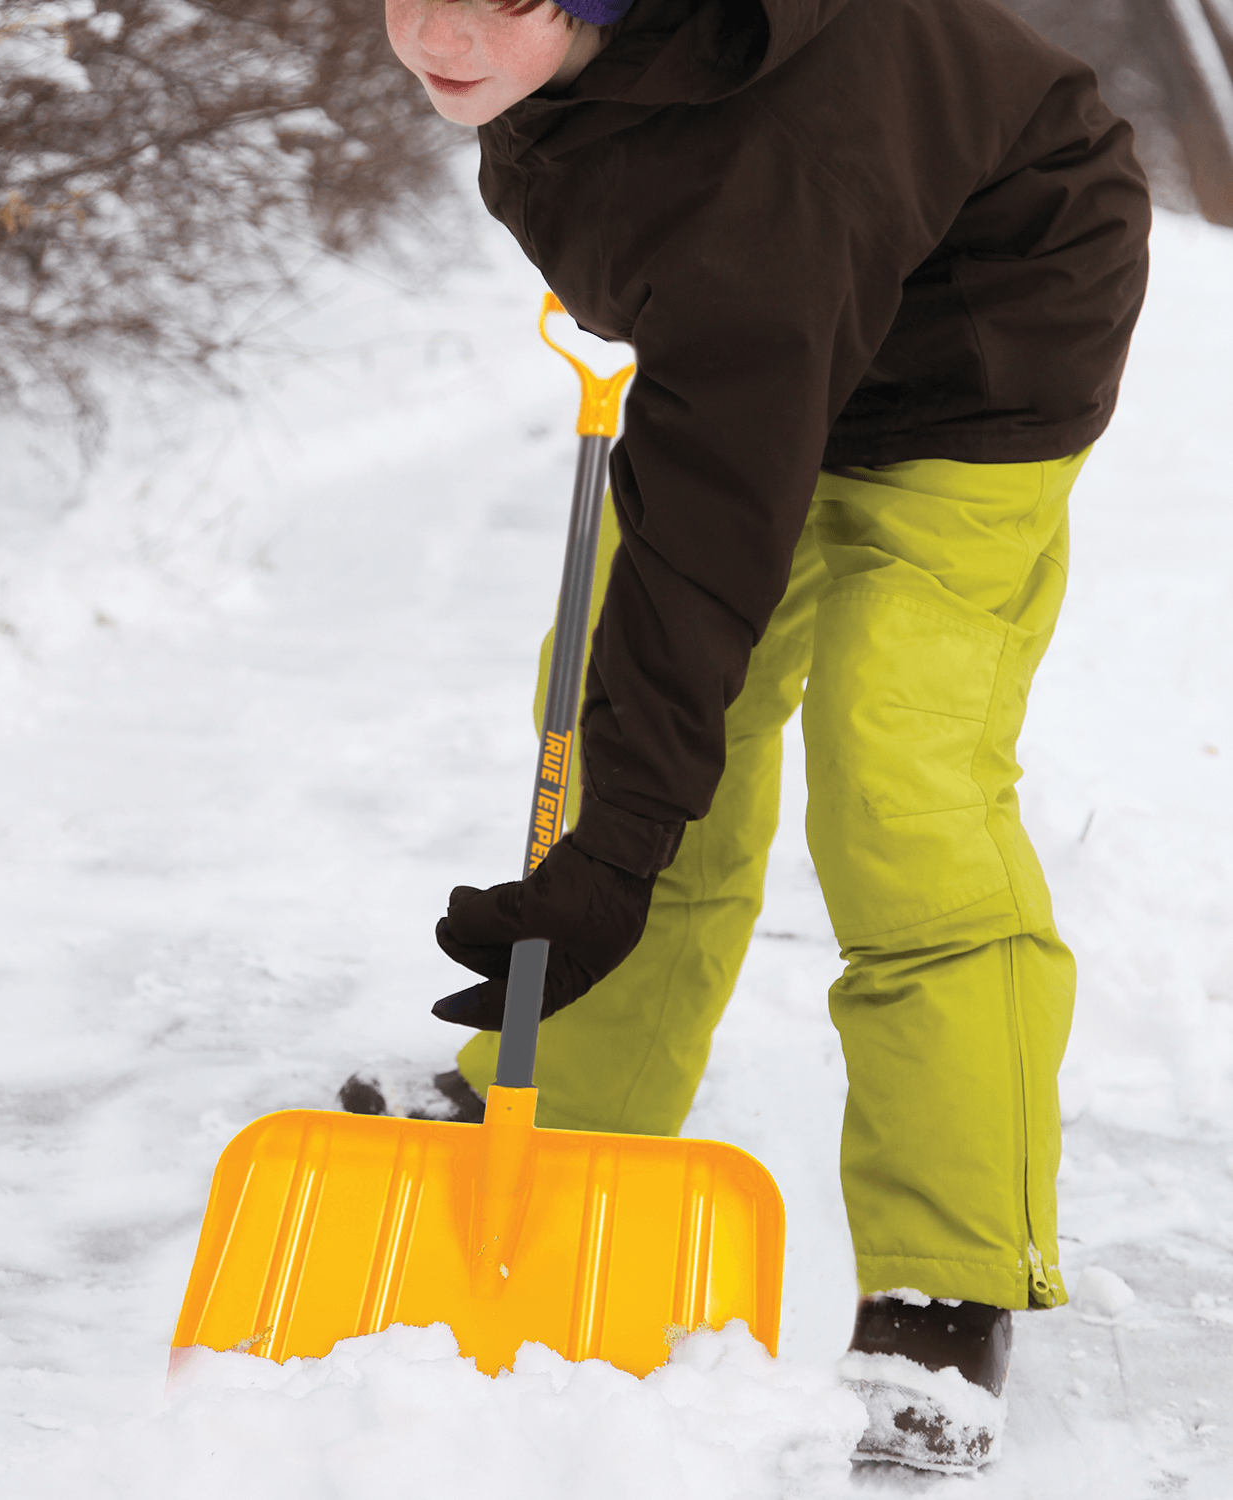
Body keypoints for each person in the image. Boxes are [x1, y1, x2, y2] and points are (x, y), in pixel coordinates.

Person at [367, 0, 1151, 1470]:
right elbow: (718, 435)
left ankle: (949, 1274)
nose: (438, 32)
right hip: (780, 316)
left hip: (977, 355)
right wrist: (620, 826)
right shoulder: (579, 65)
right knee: (627, 718)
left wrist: (615, 852)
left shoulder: (765, 161)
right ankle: (567, 1107)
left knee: (902, 786)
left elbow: (716, 519)